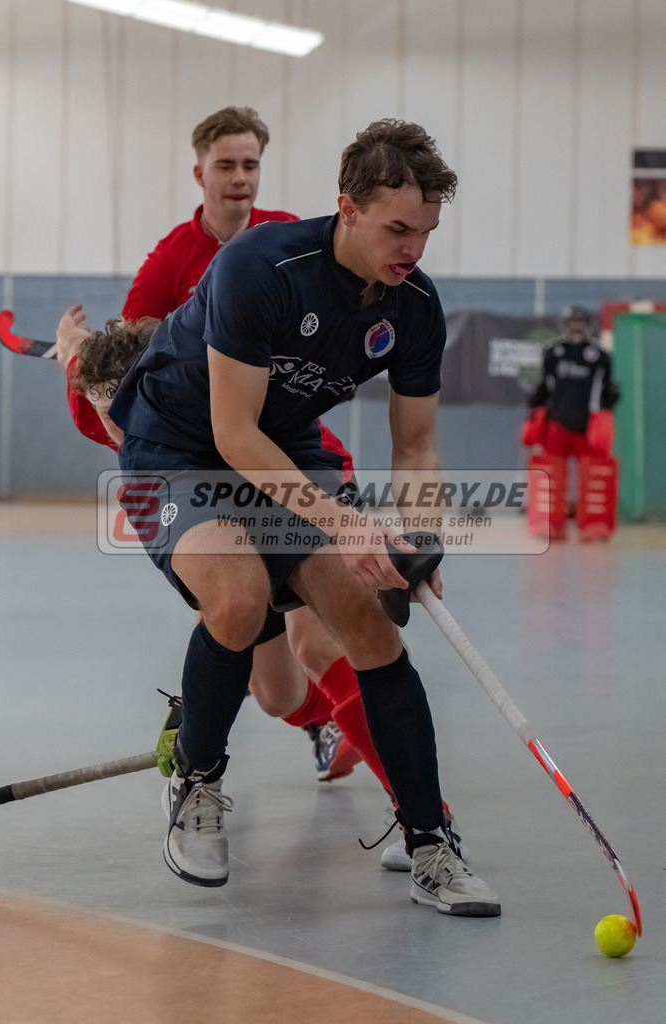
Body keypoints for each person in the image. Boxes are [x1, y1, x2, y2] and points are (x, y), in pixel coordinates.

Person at [104, 117, 500, 917]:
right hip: (179, 449)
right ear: (346, 208)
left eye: (425, 231)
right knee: (241, 597)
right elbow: (232, 432)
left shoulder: (414, 305)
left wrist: (417, 537)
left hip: (283, 449)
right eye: (396, 227)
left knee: (367, 620)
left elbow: (416, 442)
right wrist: (349, 524)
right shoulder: (259, 267)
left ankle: (428, 840)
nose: (412, 249)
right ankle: (197, 781)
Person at [56, 106, 362, 784]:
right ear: (200, 173)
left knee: (318, 639)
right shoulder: (171, 261)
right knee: (276, 691)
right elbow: (123, 378)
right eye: (225, 166)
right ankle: (316, 721)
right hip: (210, 477)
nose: (239, 178)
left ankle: (417, 812)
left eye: (250, 165)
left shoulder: (288, 238)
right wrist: (78, 365)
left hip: (289, 456)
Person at [523, 306, 620, 541]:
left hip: (588, 427)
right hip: (557, 423)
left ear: (587, 324)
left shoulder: (600, 356)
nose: (575, 325)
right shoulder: (553, 352)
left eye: (580, 321)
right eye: (571, 321)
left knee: (592, 478)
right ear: (564, 324)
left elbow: (608, 391)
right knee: (552, 477)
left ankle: (593, 525)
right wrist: (533, 413)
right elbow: (544, 389)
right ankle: (551, 525)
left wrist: (605, 415)